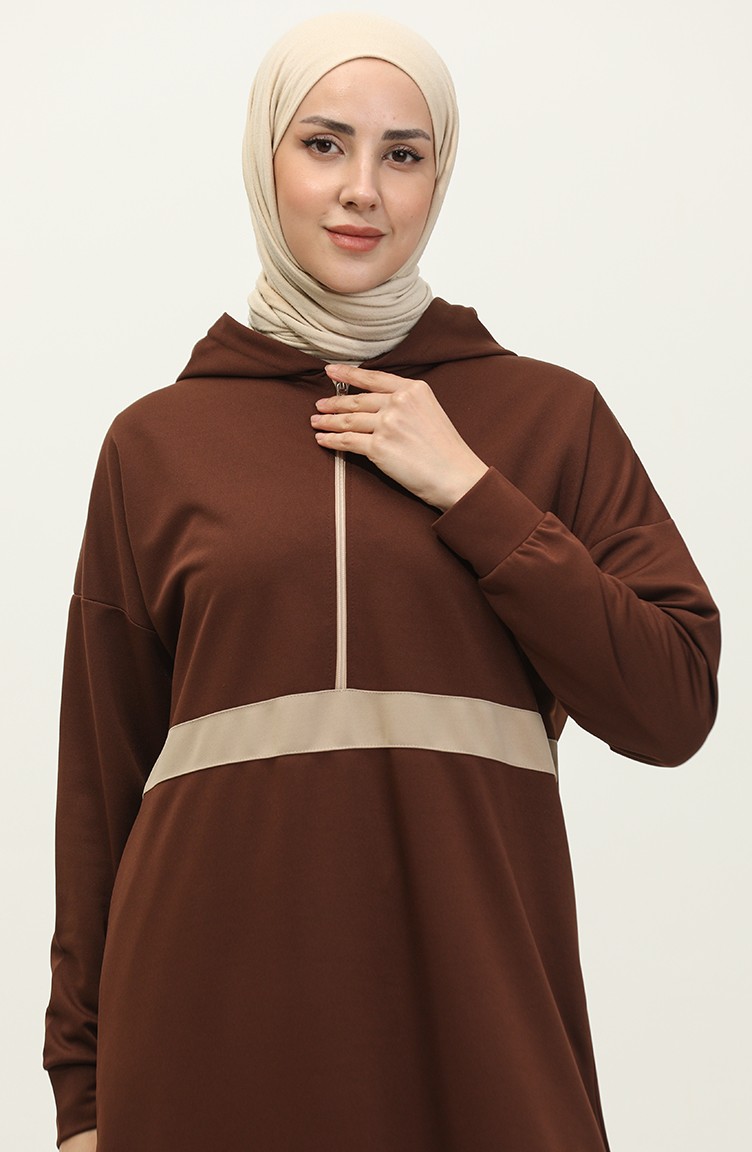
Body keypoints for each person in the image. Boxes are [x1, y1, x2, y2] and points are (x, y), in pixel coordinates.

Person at [43, 12, 720, 1152]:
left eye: (402, 153)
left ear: (438, 176)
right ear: (265, 159)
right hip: (202, 1046)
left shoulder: (548, 418)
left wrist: (471, 489)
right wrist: (84, 1096)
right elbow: (100, 790)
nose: (362, 188)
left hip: (480, 1038)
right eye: (324, 144)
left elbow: (672, 705)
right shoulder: (157, 443)